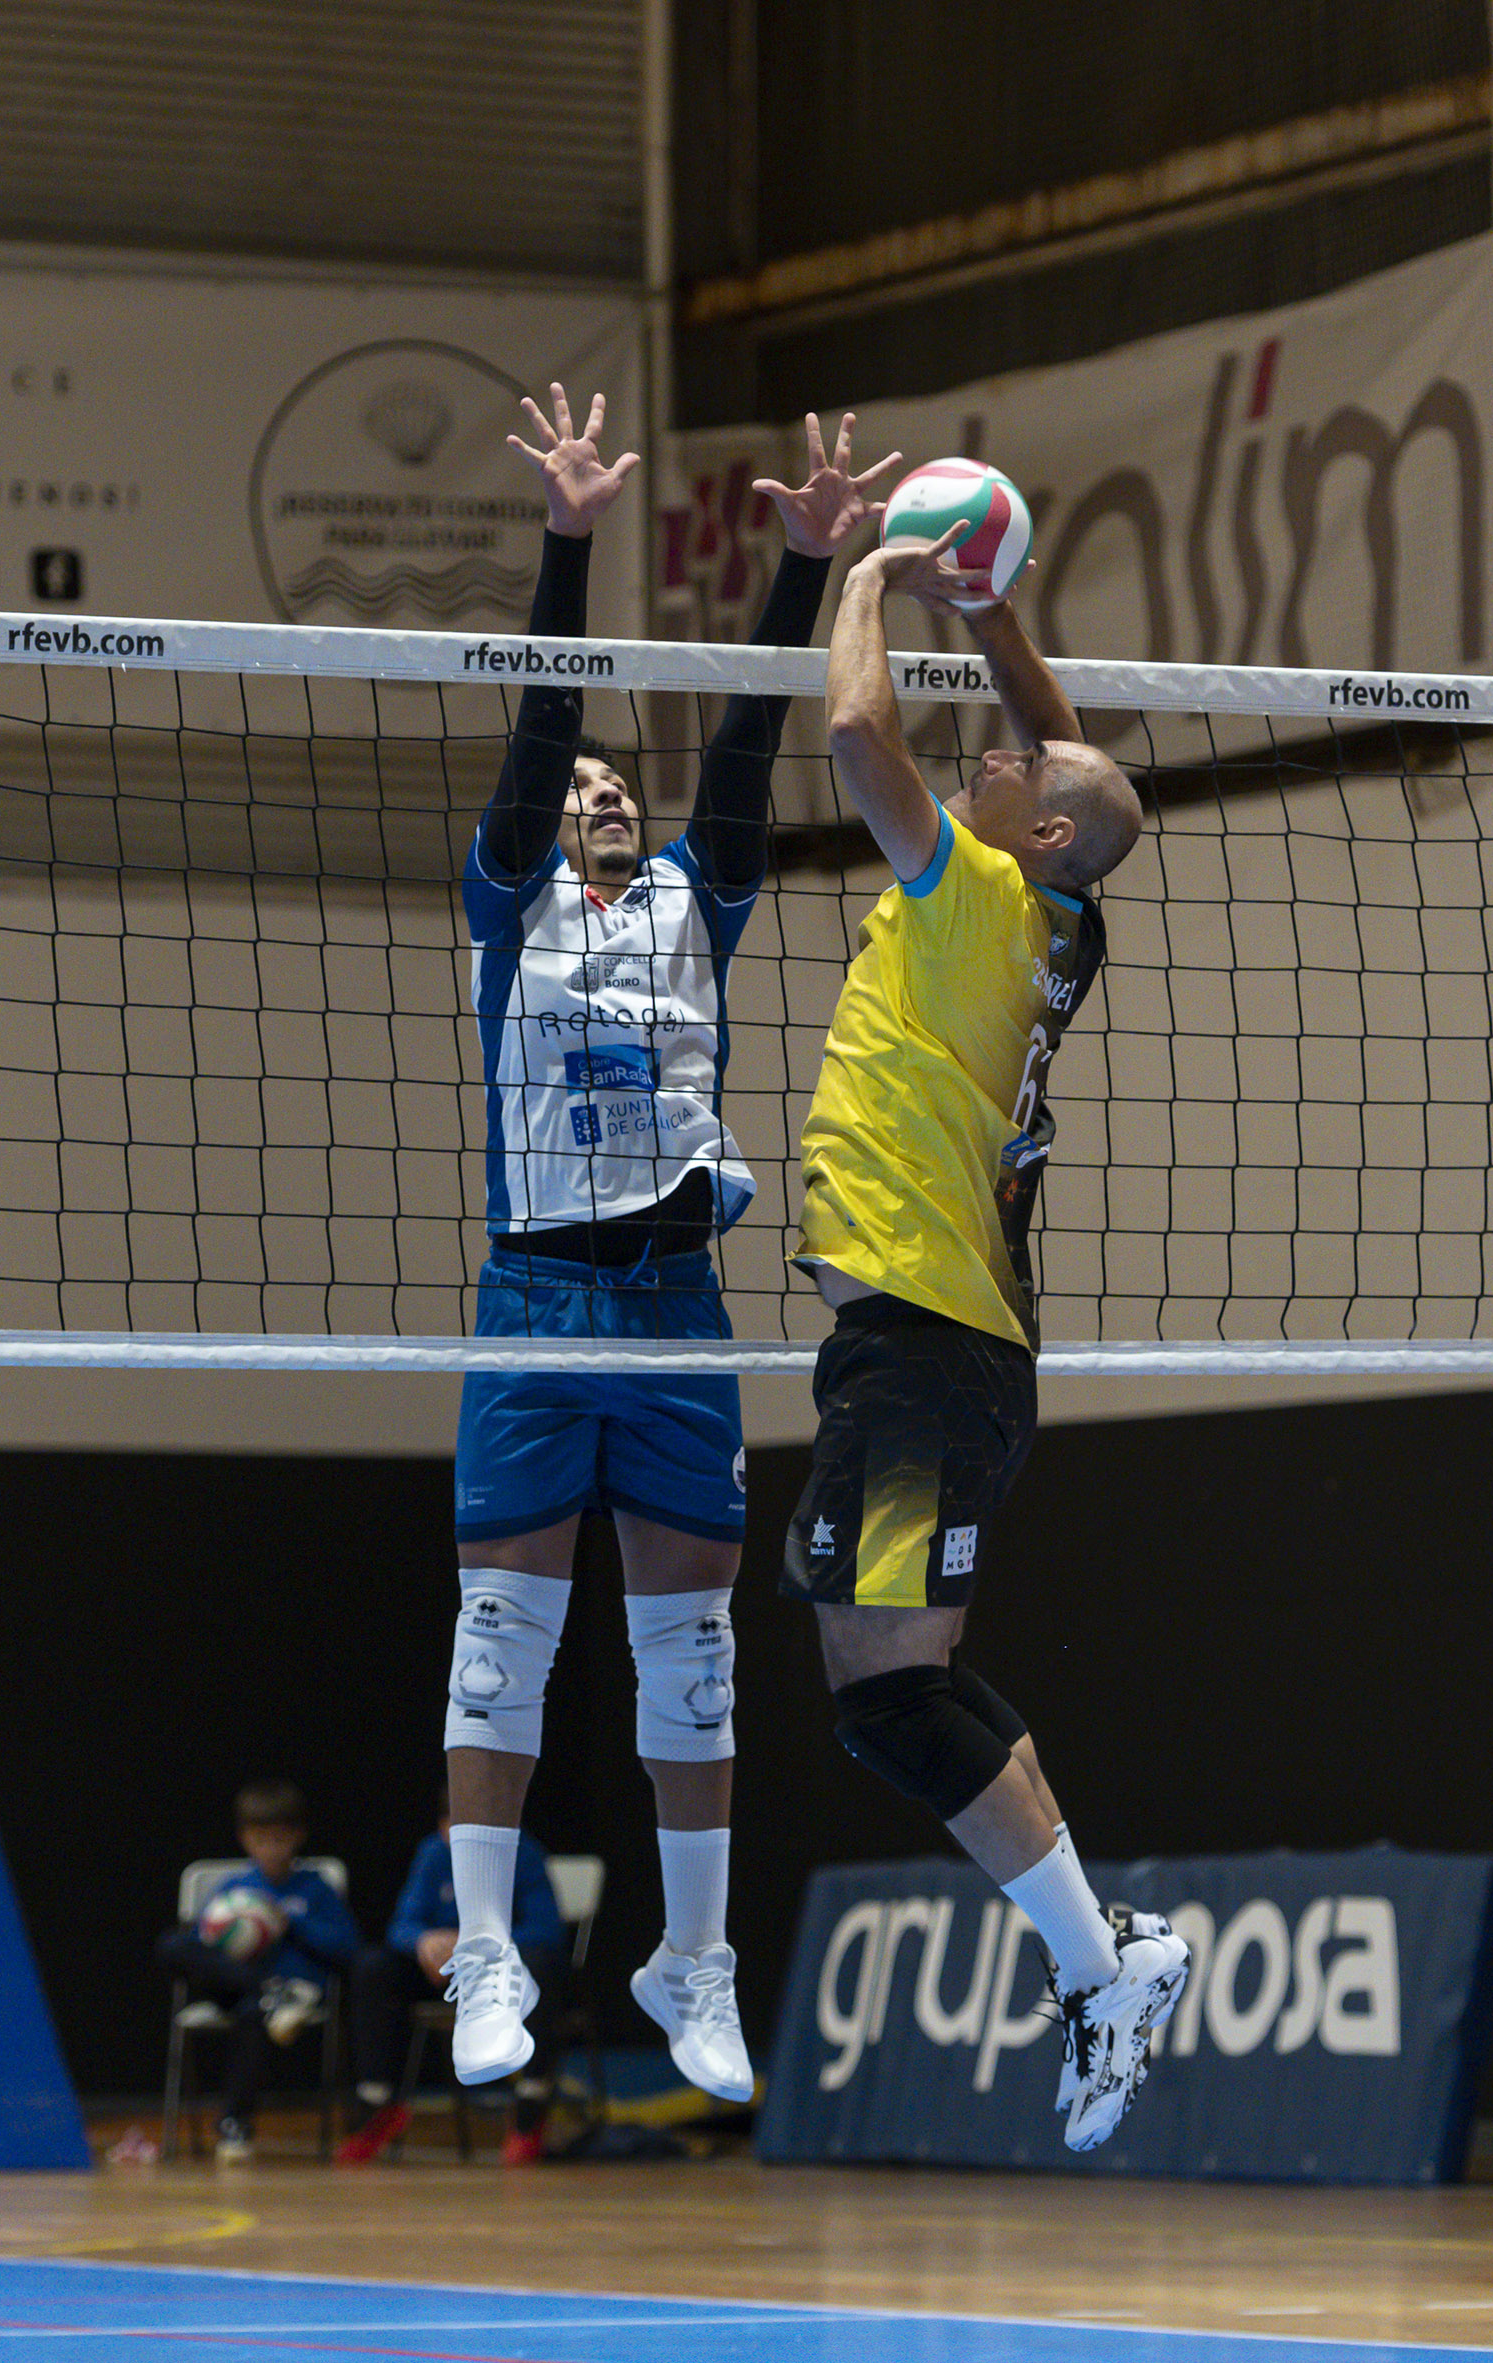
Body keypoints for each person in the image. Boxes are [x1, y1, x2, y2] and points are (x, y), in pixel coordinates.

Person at [438, 386, 893, 2105]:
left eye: (621, 782)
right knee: (503, 1644)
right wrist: (567, 540)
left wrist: (801, 570)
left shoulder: (700, 897)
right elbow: (543, 723)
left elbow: (745, 746)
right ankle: (490, 1947)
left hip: (678, 1309)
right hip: (537, 1297)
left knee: (690, 1661)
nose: (605, 790)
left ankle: (691, 1957)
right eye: (584, 788)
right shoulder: (506, 902)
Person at [781, 517, 1179, 2153]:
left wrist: (866, 582)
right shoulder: (1056, 922)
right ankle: (1101, 1956)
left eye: (1015, 772)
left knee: (886, 1692)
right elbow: (1062, 757)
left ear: (1044, 832)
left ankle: (1100, 1961)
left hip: (924, 1352)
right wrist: (995, 614)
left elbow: (853, 728)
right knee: (889, 1681)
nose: (991, 759)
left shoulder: (971, 895)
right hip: (944, 1356)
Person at [335, 1797, 568, 2166]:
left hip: (501, 1977)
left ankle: (533, 2097)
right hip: (445, 1973)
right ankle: (376, 2096)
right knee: (373, 1966)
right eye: (452, 1823)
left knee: (541, 1964)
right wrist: (423, 1941)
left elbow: (547, 1930)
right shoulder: (433, 1854)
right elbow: (401, 1926)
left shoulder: (524, 1853)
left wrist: (482, 1944)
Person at [153, 1777, 357, 2162]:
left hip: (291, 1994)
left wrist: (289, 1923)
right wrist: (223, 1929)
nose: (271, 1849)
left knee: (254, 2014)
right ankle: (269, 1988)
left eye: (280, 1839)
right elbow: (201, 1944)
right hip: (238, 1983)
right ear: (245, 1839)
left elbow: (347, 1949)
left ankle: (235, 2121)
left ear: (298, 1836)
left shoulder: (314, 1889)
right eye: (261, 1840)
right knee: (172, 1944)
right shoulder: (236, 1888)